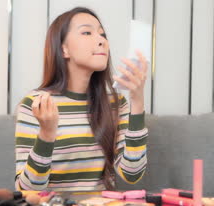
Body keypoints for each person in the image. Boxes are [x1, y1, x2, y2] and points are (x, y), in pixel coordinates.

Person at [15, 7, 148, 192]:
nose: (101, 40)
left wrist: (137, 100)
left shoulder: (116, 104)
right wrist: (46, 135)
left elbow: (132, 173)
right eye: (87, 32)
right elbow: (28, 189)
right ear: (64, 49)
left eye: (103, 34)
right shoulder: (36, 104)